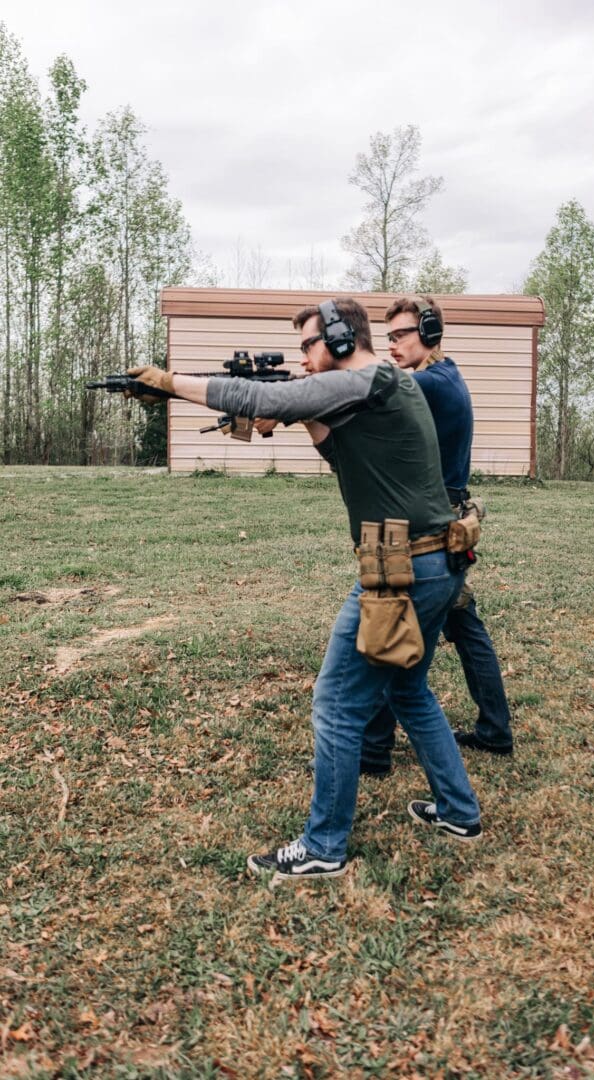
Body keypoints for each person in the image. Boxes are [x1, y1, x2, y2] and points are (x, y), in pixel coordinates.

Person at [126, 297, 482, 883]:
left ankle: (324, 846)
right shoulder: (389, 384)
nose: (305, 359)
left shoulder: (367, 377)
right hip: (431, 558)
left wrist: (169, 383)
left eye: (311, 346)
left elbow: (261, 398)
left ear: (343, 341)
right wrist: (300, 416)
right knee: (409, 692)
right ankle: (459, 812)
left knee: (337, 703)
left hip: (400, 564)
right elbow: (342, 455)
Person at [360, 296, 514, 777]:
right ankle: (493, 730)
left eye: (401, 335)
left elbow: (380, 389)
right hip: (443, 522)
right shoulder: (441, 378)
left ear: (429, 332)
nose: (393, 345)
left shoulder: (431, 382)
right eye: (388, 337)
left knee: (395, 623)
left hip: (430, 529)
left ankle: (373, 749)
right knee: (460, 627)